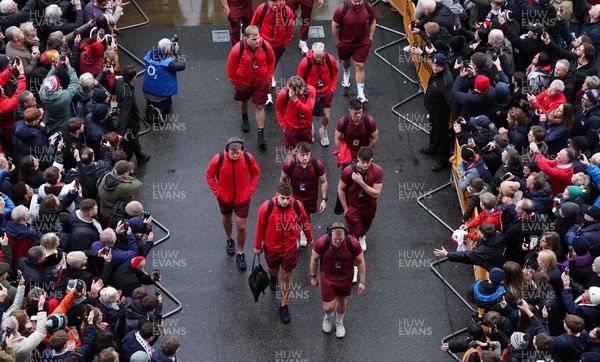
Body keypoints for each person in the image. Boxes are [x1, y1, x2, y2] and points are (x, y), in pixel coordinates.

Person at [254, 184, 313, 324]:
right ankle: (273, 278)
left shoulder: (297, 206)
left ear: (291, 197)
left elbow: (304, 222)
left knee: (287, 275)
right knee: (272, 269)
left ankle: (284, 304)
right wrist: (257, 246)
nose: (285, 201)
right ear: (277, 195)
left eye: (287, 198)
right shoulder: (265, 208)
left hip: (289, 247)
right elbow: (260, 227)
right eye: (282, 198)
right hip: (271, 247)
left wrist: (309, 237)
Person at [206, 137, 261, 271]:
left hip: (243, 198)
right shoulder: (218, 159)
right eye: (232, 152)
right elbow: (209, 175)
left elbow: (256, 173)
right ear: (227, 150)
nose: (235, 155)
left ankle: (240, 252)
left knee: (241, 226)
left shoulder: (248, 158)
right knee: (226, 217)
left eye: (238, 152)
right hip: (224, 198)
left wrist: (249, 191)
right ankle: (230, 239)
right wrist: (218, 192)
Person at [309, 223, 365, 338]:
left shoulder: (352, 243)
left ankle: (339, 322)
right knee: (329, 306)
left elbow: (361, 261)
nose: (338, 242)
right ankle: (328, 318)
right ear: (330, 235)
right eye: (335, 239)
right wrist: (313, 277)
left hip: (345, 278)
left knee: (341, 300)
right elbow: (314, 259)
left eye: (340, 239)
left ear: (345, 235)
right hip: (327, 277)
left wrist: (362, 282)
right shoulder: (322, 242)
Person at [227, 25, 275, 148]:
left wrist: (267, 79)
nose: (257, 41)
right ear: (245, 38)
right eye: (253, 39)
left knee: (259, 106)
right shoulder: (238, 49)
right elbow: (231, 68)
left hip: (260, 82)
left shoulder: (265, 46)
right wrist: (236, 84)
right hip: (243, 82)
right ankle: (244, 117)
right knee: (243, 100)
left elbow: (271, 62)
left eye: (258, 38)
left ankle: (260, 134)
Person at [279, 142, 327, 247]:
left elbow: (324, 182)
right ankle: (295, 236)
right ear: (296, 153)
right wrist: (283, 196)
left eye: (307, 154)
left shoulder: (317, 165)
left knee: (307, 215)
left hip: (311, 197)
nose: (304, 157)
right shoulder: (289, 164)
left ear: (310, 153)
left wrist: (324, 199)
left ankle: (304, 232)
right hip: (294, 196)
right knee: (293, 217)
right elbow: (282, 180)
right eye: (301, 155)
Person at [337, 147, 383, 251]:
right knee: (354, 231)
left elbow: (376, 194)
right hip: (354, 206)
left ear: (372, 159)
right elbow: (340, 188)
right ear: (358, 158)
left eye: (368, 162)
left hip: (369, 205)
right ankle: (354, 247)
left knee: (366, 225)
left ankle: (362, 236)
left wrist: (361, 182)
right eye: (363, 162)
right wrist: (345, 208)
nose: (366, 165)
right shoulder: (348, 171)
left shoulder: (378, 171)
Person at [250, 0, 294, 106]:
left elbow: (290, 28)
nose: (274, 7)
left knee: (272, 65)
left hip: (278, 45)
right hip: (263, 44)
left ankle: (269, 76)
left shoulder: (287, 11)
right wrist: (254, 40)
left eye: (277, 5)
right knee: (264, 67)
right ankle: (267, 92)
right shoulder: (262, 9)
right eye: (272, 5)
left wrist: (285, 43)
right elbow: (253, 25)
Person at [331, 0, 376, 103]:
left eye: (359, 1)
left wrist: (370, 39)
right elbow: (334, 25)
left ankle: (361, 94)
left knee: (360, 65)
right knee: (345, 63)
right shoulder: (342, 9)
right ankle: (346, 74)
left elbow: (373, 22)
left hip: (362, 43)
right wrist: (338, 42)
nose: (358, 3)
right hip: (345, 44)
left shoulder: (368, 7)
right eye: (355, 1)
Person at [297, 42, 338, 147]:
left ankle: (323, 130)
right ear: (312, 52)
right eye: (316, 57)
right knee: (309, 113)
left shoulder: (330, 60)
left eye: (320, 57)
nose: (319, 59)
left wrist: (332, 89)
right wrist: (305, 91)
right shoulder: (305, 62)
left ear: (324, 53)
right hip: (311, 93)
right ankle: (310, 129)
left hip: (326, 92)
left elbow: (334, 74)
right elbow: (299, 78)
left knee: (326, 115)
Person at [420, 53, 453, 172]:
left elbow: (450, 101)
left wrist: (455, 115)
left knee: (442, 136)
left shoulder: (446, 81)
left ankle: (443, 160)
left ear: (443, 66)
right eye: (434, 64)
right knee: (433, 129)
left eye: (437, 66)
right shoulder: (438, 72)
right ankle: (432, 147)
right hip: (433, 110)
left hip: (441, 113)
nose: (434, 67)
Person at [115, 65, 151, 166]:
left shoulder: (119, 82)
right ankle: (131, 160)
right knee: (132, 139)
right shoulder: (127, 94)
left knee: (133, 139)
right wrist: (121, 133)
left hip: (126, 120)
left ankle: (140, 156)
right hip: (130, 122)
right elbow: (125, 113)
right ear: (133, 77)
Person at [142, 37, 186, 123]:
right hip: (160, 95)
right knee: (168, 104)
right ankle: (159, 110)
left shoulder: (149, 54)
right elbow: (182, 65)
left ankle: (150, 106)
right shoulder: (169, 63)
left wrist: (167, 48)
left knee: (151, 101)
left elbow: (161, 54)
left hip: (147, 92)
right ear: (167, 49)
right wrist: (176, 51)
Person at [276, 76, 316, 156]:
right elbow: (279, 111)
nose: (301, 93)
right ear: (291, 89)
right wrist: (284, 127)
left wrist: (295, 99)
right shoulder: (283, 94)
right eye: (297, 93)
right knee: (292, 153)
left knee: (306, 152)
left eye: (302, 89)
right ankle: (290, 168)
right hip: (291, 129)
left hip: (306, 127)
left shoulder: (311, 90)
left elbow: (308, 111)